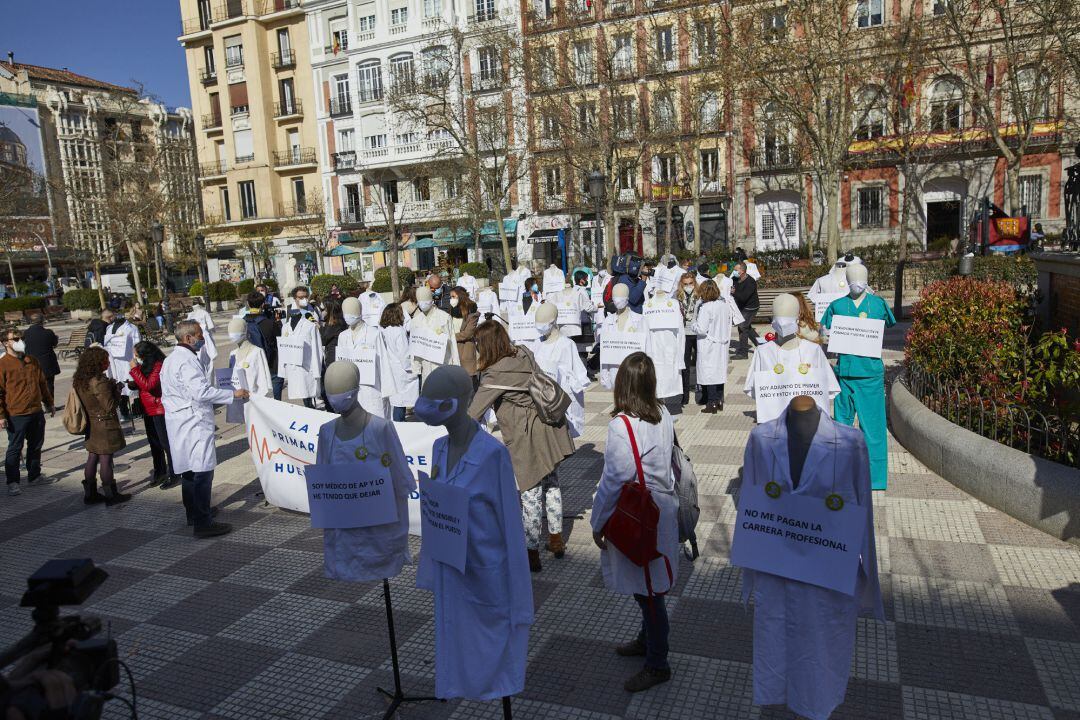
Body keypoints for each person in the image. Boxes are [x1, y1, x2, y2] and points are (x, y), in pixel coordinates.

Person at [590, 352, 678, 693]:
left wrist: (598, 522)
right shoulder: (663, 412)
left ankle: (658, 663)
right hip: (662, 509)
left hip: (640, 515)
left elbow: (615, 477)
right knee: (649, 587)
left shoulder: (622, 424)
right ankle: (647, 641)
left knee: (650, 593)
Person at [469, 322, 574, 573]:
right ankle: (556, 540)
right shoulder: (523, 352)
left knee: (530, 492)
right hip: (549, 426)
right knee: (551, 483)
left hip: (525, 434)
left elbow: (473, 413)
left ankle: (531, 553)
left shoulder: (495, 373)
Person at [161, 320, 248, 538]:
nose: (202, 339)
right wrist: (232, 395)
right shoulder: (187, 362)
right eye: (199, 335)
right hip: (193, 422)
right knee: (202, 472)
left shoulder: (171, 359)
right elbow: (201, 393)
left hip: (180, 421)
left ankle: (195, 513)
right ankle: (203, 522)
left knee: (189, 470)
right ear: (188, 338)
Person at [72, 347, 129, 506]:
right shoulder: (99, 381)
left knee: (92, 456)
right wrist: (116, 390)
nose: (108, 362)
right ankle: (111, 495)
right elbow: (109, 406)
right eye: (105, 360)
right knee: (105, 458)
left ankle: (90, 494)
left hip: (92, 422)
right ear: (97, 362)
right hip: (104, 424)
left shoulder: (81, 379)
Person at [0, 327, 54, 496]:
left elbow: (42, 383)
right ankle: (13, 481)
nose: (20, 341)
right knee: (15, 447)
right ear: (5, 343)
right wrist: (1, 415)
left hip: (36, 410)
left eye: (21, 338)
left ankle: (34, 475)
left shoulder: (32, 360)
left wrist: (49, 402)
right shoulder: (3, 365)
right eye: (15, 339)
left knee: (36, 444)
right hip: (16, 413)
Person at [128, 341, 179, 489]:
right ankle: (160, 472)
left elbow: (150, 385)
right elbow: (144, 383)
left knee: (165, 443)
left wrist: (134, 370)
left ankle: (174, 474)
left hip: (159, 409)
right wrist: (134, 382)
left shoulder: (159, 364)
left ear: (145, 353)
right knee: (154, 444)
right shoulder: (146, 365)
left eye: (136, 354)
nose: (135, 357)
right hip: (148, 408)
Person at [691, 279, 732, 413]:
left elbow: (701, 329)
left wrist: (693, 325)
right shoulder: (724, 305)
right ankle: (719, 400)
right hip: (722, 343)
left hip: (709, 344)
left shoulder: (706, 308)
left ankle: (711, 402)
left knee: (709, 373)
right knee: (719, 372)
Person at [380, 303, 417, 421]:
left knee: (393, 400)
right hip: (400, 370)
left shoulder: (383, 330)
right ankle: (400, 424)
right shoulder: (399, 331)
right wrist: (412, 370)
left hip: (389, 368)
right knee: (400, 402)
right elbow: (404, 354)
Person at [244, 291, 283, 400]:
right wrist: (278, 323)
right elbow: (280, 340)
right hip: (271, 365)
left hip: (250, 365)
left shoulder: (242, 323)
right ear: (263, 304)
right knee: (275, 404)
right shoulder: (270, 323)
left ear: (248, 304)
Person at [22, 314, 59, 401]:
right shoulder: (48, 332)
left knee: (36, 385)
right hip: (47, 363)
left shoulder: (25, 333)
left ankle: (40, 404)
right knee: (49, 384)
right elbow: (54, 343)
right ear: (42, 321)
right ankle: (50, 404)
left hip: (32, 364)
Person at [450, 287, 480, 386]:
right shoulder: (452, 311)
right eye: (451, 297)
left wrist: (450, 337)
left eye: (453, 296)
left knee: (469, 380)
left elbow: (468, 333)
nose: (451, 299)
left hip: (465, 349)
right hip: (453, 349)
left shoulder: (472, 311)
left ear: (460, 296)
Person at [677, 273, 699, 405]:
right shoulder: (676, 297)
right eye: (685, 284)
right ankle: (684, 395)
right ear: (681, 284)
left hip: (697, 332)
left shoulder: (700, 295)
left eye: (691, 283)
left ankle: (702, 390)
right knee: (684, 364)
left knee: (701, 362)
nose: (688, 286)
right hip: (684, 333)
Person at [731, 262, 760, 359]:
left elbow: (743, 297)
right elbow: (729, 285)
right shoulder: (735, 278)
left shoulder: (750, 282)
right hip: (742, 307)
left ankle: (743, 353)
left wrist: (734, 292)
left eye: (736, 270)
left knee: (742, 327)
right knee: (747, 327)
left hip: (750, 307)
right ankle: (761, 344)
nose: (734, 272)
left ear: (742, 271)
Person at [320, 299, 346, 365]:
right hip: (337, 355)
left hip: (333, 357)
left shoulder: (334, 323)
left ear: (329, 309)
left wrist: (319, 328)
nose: (323, 311)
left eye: (324, 309)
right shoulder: (340, 320)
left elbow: (324, 339)